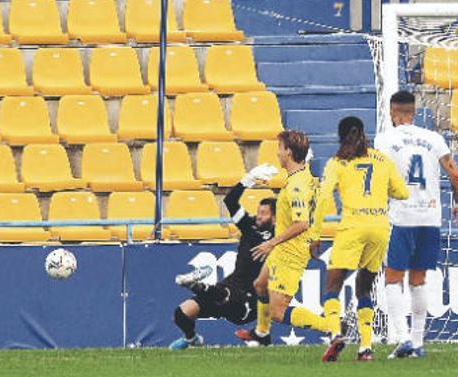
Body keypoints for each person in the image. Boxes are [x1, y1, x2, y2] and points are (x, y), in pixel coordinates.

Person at [375, 91, 458, 359]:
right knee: (419, 279)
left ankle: (403, 338)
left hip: (401, 218)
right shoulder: (434, 139)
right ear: (413, 113)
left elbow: (379, 176)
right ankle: (418, 343)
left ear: (393, 113)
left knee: (392, 278)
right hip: (430, 218)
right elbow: (455, 174)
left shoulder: (385, 140)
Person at [311, 117, 409, 362]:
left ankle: (335, 333)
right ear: (364, 134)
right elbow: (402, 192)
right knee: (364, 288)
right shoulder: (381, 159)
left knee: (333, 285)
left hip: (352, 226)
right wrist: (379, 190)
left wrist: (315, 234)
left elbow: (323, 198)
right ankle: (366, 348)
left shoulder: (337, 163)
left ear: (340, 136)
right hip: (379, 227)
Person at [168, 164, 278, 350]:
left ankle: (195, 285)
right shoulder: (249, 225)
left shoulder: (281, 235)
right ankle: (191, 339)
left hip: (249, 299)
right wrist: (249, 178)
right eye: (258, 212)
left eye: (263, 214)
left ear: (275, 218)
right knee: (182, 313)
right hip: (231, 284)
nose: (258, 216)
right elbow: (230, 201)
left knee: (225, 295)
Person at [251, 131, 328, 341]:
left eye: (280, 148)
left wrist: (271, 243)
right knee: (260, 284)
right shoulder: (308, 177)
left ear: (289, 152)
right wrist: (316, 237)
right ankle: (262, 333)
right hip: (286, 248)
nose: (277, 153)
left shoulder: (296, 185)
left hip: (289, 252)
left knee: (278, 312)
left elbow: (302, 223)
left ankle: (331, 326)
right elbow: (319, 209)